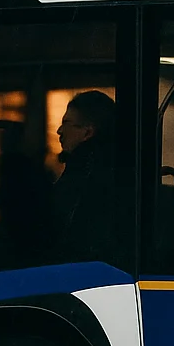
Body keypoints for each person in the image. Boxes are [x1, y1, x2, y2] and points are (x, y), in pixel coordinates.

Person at [52, 90, 120, 262]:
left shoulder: (85, 176)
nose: (59, 130)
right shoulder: (105, 169)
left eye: (67, 123)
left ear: (87, 133)